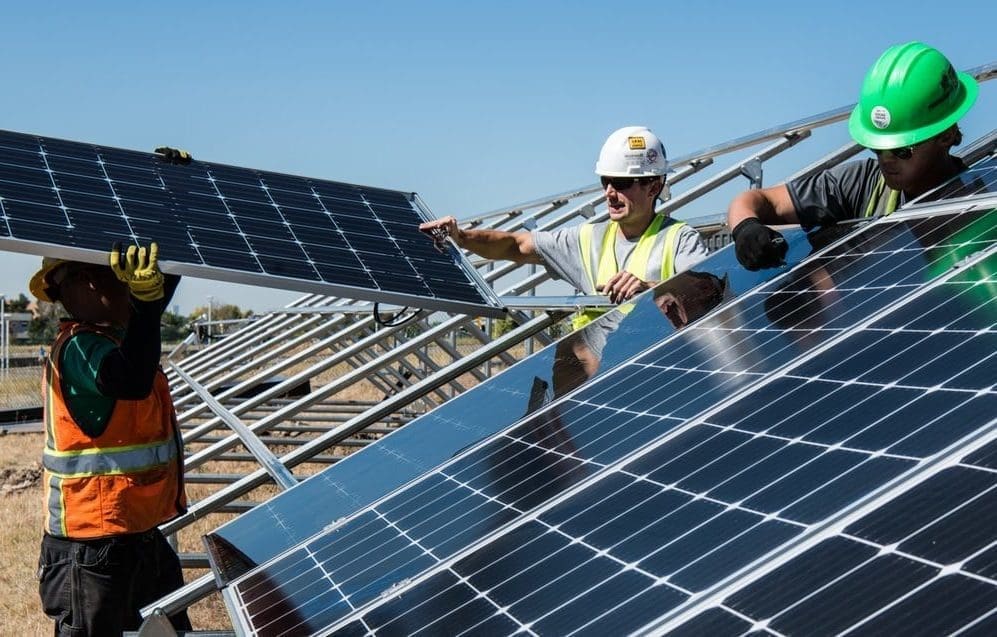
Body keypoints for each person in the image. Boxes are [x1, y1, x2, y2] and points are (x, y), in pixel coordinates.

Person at [31, 242, 191, 635]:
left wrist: (176, 246)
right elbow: (132, 378)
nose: (128, 287)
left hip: (136, 536)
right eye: (116, 277)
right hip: (93, 548)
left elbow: (148, 312)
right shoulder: (80, 348)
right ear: (82, 284)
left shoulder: (119, 338)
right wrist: (146, 300)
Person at [419, 126, 710, 328]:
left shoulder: (679, 240)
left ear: (654, 186)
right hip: (598, 374)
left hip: (656, 372)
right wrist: (460, 236)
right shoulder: (587, 239)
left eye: (620, 183)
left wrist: (650, 289)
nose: (609, 193)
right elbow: (514, 245)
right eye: (605, 181)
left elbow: (707, 296)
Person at [728, 41, 979, 271]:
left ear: (945, 135)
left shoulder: (980, 203)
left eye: (902, 149)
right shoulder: (860, 183)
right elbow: (760, 200)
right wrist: (745, 228)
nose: (886, 160)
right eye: (877, 148)